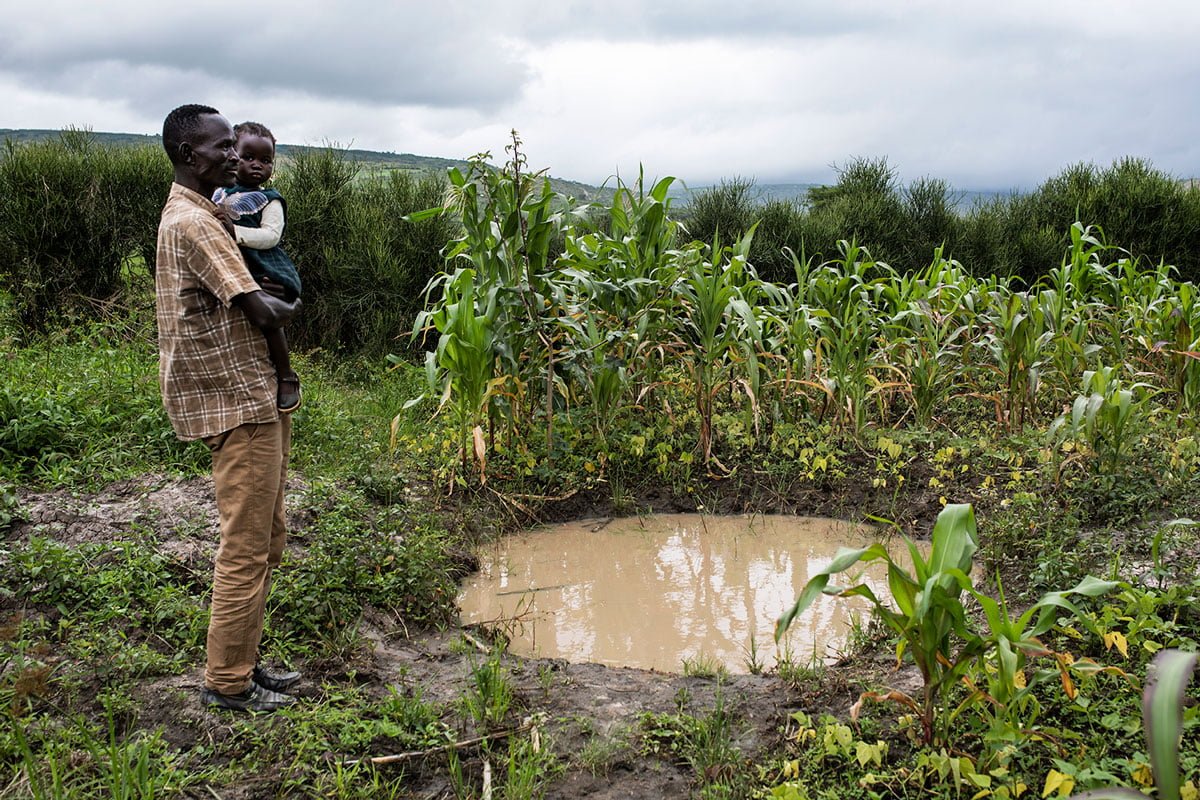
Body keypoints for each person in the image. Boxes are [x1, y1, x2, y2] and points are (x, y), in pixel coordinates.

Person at [156, 104, 303, 713]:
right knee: (245, 546)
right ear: (192, 155)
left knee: (267, 537)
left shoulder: (206, 212)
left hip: (251, 393)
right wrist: (290, 306)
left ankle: (242, 660)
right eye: (221, 147)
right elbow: (262, 309)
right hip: (235, 400)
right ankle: (228, 682)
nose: (232, 157)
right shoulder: (195, 224)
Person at [216, 121, 302, 412]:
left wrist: (235, 233)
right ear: (232, 154)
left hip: (267, 267)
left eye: (265, 160)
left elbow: (271, 236)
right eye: (249, 157)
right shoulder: (219, 193)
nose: (257, 166)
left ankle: (287, 375)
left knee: (269, 321)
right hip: (241, 266)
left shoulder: (270, 200)